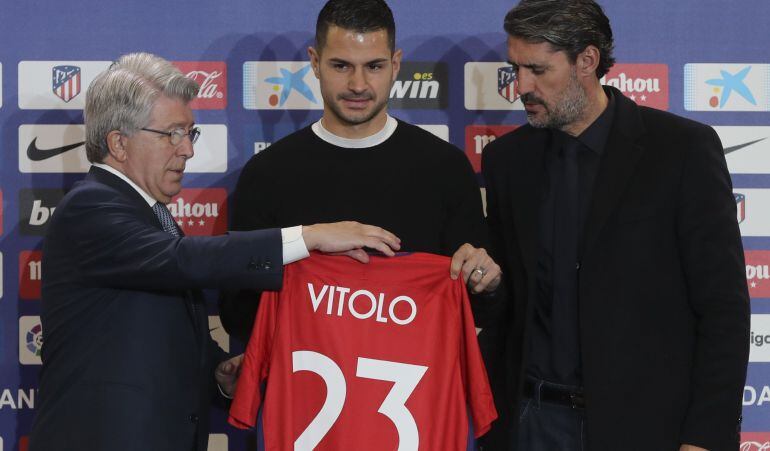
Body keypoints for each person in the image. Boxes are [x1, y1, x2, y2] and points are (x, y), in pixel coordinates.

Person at [28, 52, 401, 451]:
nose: (186, 149)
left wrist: (217, 376)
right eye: (172, 133)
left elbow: (148, 334)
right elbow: (185, 261)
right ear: (119, 143)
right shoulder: (91, 208)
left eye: (191, 133)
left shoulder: (151, 216)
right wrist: (308, 238)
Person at [480, 1, 750, 450]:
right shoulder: (508, 161)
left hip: (647, 427)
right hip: (532, 424)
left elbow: (723, 309)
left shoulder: (681, 151)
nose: (520, 86)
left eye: (537, 70)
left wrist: (706, 435)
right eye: (516, 69)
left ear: (587, 61)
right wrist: (486, 286)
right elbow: (509, 308)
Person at [219, 0, 502, 344]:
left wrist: (486, 282)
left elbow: (481, 309)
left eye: (374, 66)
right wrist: (304, 248)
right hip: (305, 388)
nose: (358, 84)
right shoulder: (266, 173)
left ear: (396, 65)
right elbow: (237, 314)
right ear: (314, 62)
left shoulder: (446, 168)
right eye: (341, 65)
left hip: (417, 389)